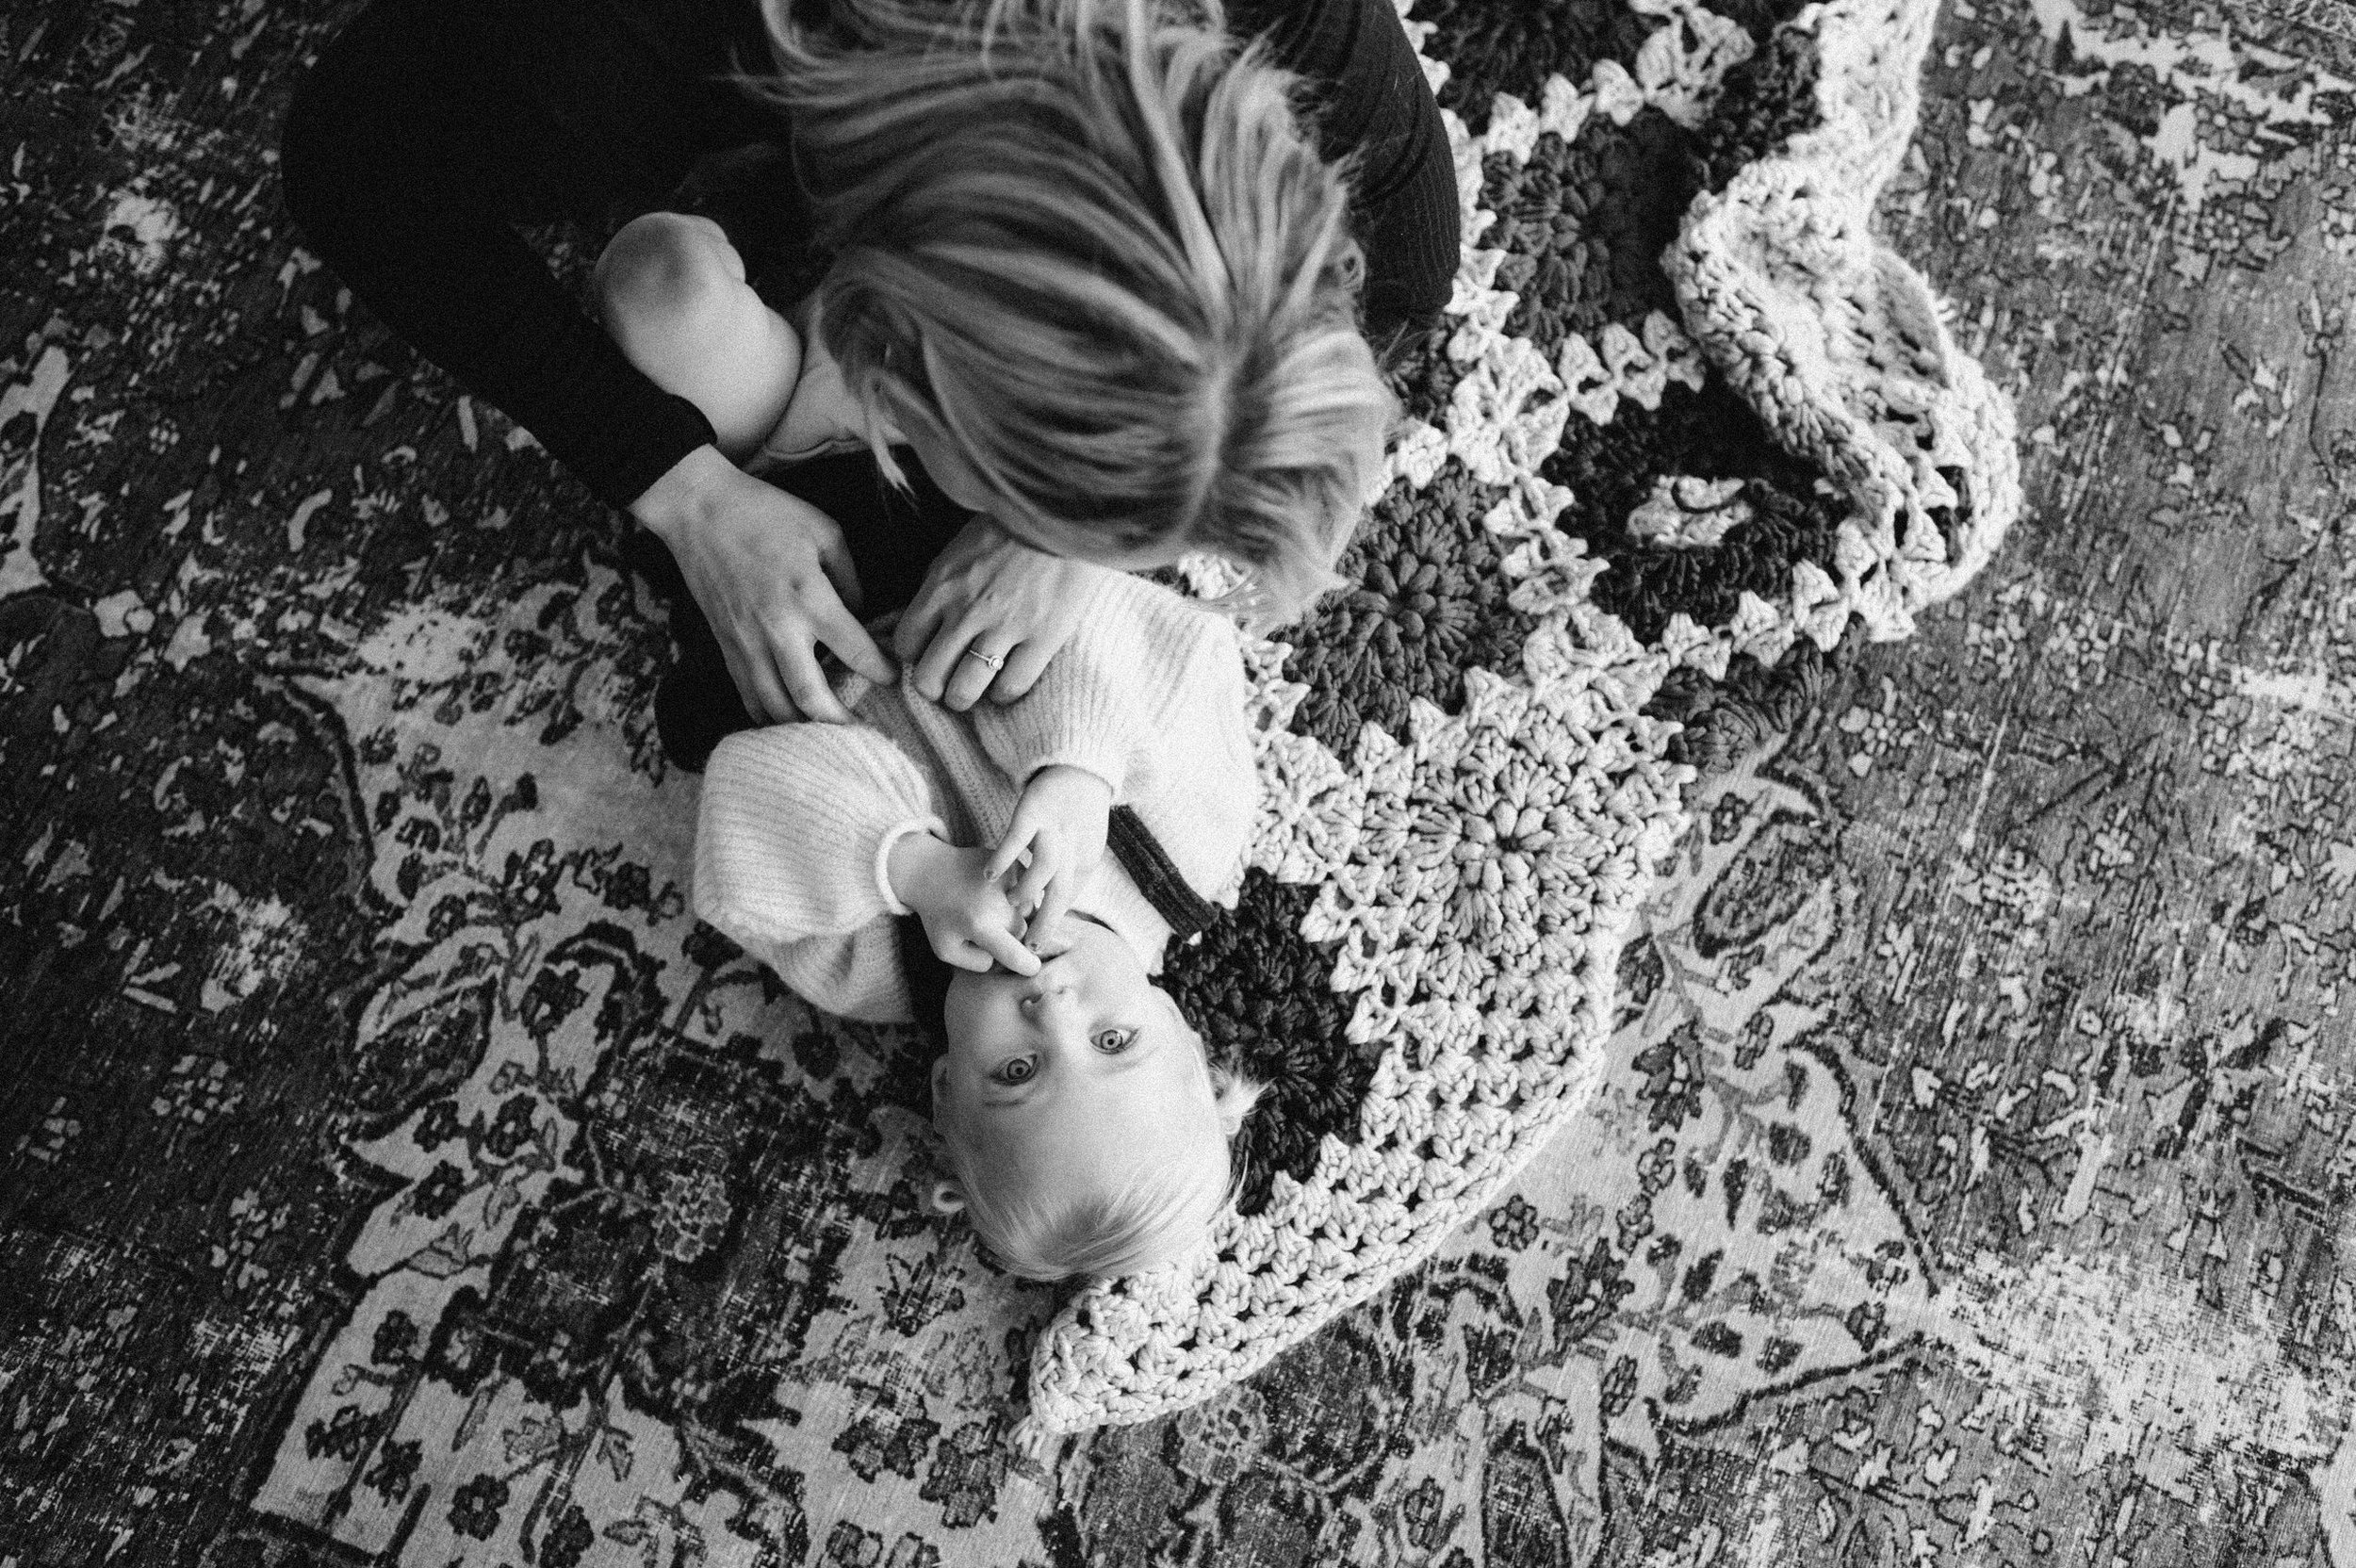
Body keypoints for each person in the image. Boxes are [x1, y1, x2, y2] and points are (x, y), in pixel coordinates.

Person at [279, 0, 1457, 766]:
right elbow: (346, 175)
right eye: (987, 476)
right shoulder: (585, 68)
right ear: (878, 344)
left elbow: (1404, 277)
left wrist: (1073, 538)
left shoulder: (1300, 32)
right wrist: (681, 490)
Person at [693, 566, 1262, 1278]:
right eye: (1112, 1040)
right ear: (1181, 1024)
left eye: (1018, 1069)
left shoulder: (864, 973)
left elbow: (740, 804)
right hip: (952, 552)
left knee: (693, 710)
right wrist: (1081, 770)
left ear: (946, 1088)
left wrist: (911, 869)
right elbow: (1176, 639)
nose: (1051, 1009)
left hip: (788, 640)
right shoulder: (1185, 844)